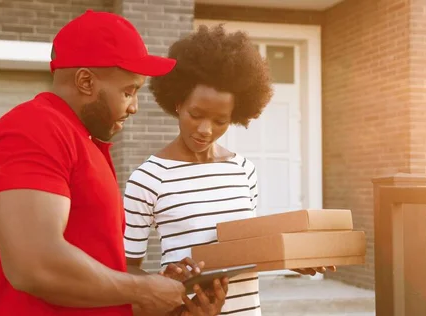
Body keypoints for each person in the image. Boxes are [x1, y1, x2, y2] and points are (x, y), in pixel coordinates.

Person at [0, 10, 221, 316]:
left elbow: (97, 280)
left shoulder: (85, 142)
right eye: (129, 91)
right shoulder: (34, 128)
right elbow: (34, 264)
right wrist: (142, 289)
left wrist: (165, 292)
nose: (134, 107)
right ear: (86, 81)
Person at [123, 24, 335, 316]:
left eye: (220, 120)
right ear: (177, 102)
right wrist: (167, 284)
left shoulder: (243, 170)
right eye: (195, 115)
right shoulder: (148, 178)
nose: (205, 130)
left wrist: (289, 258)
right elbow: (125, 270)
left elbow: (244, 249)